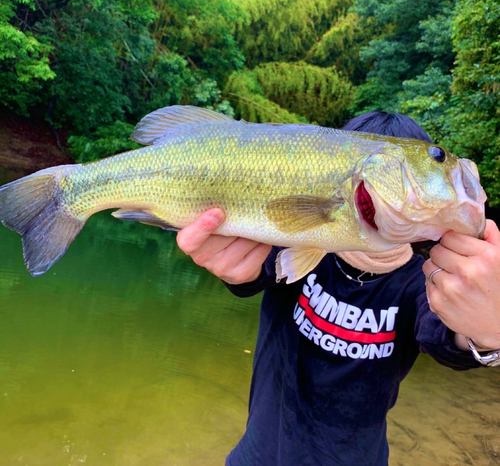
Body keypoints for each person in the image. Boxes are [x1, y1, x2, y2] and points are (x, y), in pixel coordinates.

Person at [175, 112, 500, 466]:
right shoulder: (295, 245)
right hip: (259, 456)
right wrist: (234, 271)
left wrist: (489, 331)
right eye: (434, 158)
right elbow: (258, 272)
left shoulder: (422, 281)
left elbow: (446, 338)